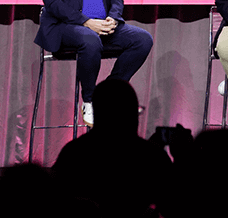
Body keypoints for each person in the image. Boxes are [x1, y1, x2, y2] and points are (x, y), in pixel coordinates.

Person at [52, 79, 174, 218]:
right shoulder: (152, 158)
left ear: (97, 114)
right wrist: (184, 158)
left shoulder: (73, 154)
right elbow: (176, 207)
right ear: (131, 115)